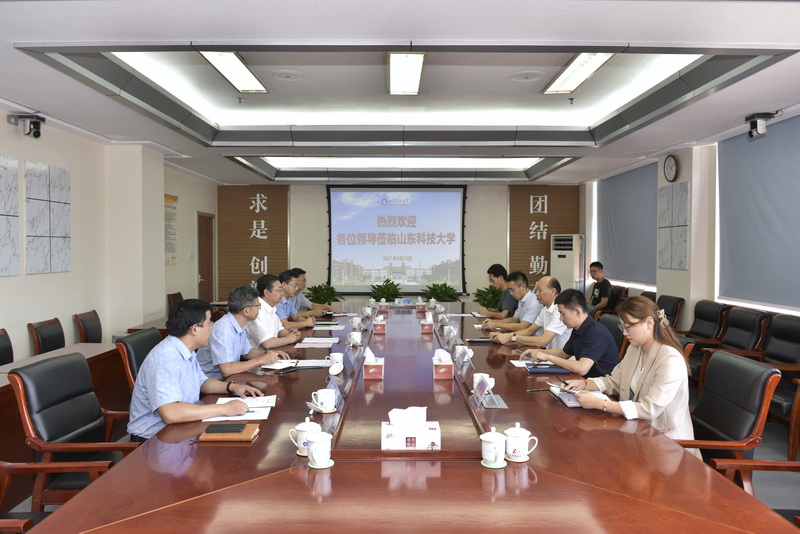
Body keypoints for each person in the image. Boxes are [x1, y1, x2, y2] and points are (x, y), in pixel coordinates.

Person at [127, 299, 264, 441]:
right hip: (155, 440)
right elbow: (170, 413)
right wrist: (223, 409)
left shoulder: (187, 350)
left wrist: (232, 387)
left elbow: (202, 382)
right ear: (194, 329)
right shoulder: (165, 359)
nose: (212, 328)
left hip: (182, 428)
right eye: (209, 323)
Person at [563, 296, 694, 441]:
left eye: (628, 327)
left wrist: (601, 404)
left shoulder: (670, 359)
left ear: (649, 323)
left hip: (666, 440)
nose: (625, 333)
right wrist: (585, 384)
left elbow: (649, 409)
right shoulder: (635, 349)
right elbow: (614, 381)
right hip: (637, 431)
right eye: (622, 327)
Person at [520, 289, 619, 377]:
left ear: (577, 312)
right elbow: (564, 353)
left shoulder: (596, 333)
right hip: (584, 380)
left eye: (563, 314)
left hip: (602, 385)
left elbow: (582, 368)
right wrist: (538, 352)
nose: (561, 318)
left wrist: (548, 357)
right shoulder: (578, 328)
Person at [196, 286, 289, 380]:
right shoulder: (223, 329)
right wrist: (261, 360)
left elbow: (247, 352)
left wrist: (267, 353)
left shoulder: (239, 324)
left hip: (230, 378)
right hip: (209, 382)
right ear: (246, 310)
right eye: (258, 305)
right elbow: (226, 369)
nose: (259, 309)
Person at [490, 276, 570, 349]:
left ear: (553, 291)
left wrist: (511, 337)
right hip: (549, 355)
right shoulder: (545, 309)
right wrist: (506, 336)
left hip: (562, 358)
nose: (537, 293)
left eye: (540, 290)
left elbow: (543, 341)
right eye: (536, 290)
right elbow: (529, 331)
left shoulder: (559, 311)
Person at [246, 274, 302, 350]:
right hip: (258, 355)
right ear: (267, 292)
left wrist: (291, 333)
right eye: (279, 290)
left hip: (271, 352)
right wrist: (289, 339)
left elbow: (280, 330)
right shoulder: (257, 310)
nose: (282, 293)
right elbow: (267, 343)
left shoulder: (272, 307)